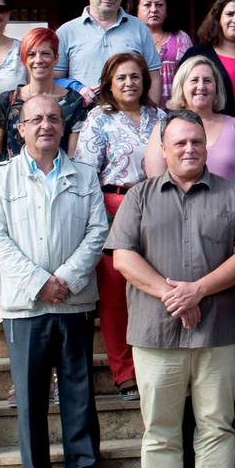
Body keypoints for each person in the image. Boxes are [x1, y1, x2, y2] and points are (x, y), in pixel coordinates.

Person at [112, 110, 235, 468]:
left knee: (216, 425)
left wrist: (197, 290)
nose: (189, 149)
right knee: (160, 429)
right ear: (163, 149)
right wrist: (172, 295)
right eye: (179, 143)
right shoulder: (139, 197)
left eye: (196, 141)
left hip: (217, 330)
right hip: (155, 333)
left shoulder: (233, 195)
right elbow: (123, 257)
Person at [0, 93, 110, 468]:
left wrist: (67, 280)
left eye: (53, 118)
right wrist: (40, 283)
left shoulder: (85, 176)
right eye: (35, 119)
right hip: (25, 305)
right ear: (20, 129)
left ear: (62, 126)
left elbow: (97, 232)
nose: (45, 125)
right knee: (31, 396)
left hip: (73, 302)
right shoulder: (0, 178)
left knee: (78, 393)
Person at [73, 52, 164, 402]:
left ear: (146, 81)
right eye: (122, 77)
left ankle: (153, 364)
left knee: (152, 288)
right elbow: (85, 173)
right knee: (114, 295)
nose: (129, 83)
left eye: (136, 76)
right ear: (109, 82)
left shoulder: (161, 117)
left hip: (155, 208)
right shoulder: (99, 118)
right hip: (112, 206)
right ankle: (125, 373)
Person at [55, 0, 163, 102]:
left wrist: (152, 115)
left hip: (130, 120)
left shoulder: (139, 28)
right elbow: (54, 79)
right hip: (82, 121)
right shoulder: (66, 32)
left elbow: (153, 77)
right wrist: (76, 88)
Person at [146, 55, 235, 195]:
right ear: (181, 86)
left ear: (216, 87)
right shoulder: (162, 128)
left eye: (207, 81)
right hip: (179, 213)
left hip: (230, 211)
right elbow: (156, 182)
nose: (201, 86)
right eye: (194, 80)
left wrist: (231, 208)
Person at [0, 28, 88, 162]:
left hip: (59, 178)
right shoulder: (8, 101)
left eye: (45, 54)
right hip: (15, 179)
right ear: (23, 60)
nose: (38, 60)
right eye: (31, 54)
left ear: (56, 58)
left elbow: (74, 158)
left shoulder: (75, 102)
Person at [129, 0, 192, 106]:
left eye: (159, 5)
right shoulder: (129, 38)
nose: (154, 10)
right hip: (139, 109)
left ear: (166, 10)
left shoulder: (180, 37)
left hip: (177, 109)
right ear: (136, 10)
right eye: (147, 5)